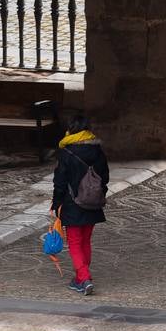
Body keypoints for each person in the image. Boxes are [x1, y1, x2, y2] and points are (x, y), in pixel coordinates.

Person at [51, 115, 109, 295]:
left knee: (75, 242)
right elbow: (104, 177)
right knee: (85, 241)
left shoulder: (66, 152)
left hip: (72, 204)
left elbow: (59, 182)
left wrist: (56, 204)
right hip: (93, 202)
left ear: (70, 130)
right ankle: (81, 277)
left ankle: (83, 278)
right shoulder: (98, 151)